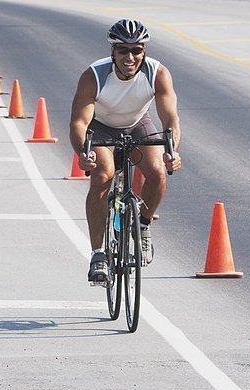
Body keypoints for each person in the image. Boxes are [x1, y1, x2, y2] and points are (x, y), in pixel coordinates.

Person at [69, 19, 182, 284]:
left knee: (157, 173)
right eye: (123, 50)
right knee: (102, 176)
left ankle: (142, 225)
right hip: (102, 127)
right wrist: (82, 153)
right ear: (113, 51)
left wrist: (172, 151)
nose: (130, 57)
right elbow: (79, 122)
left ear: (143, 51)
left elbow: (170, 119)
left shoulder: (158, 73)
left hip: (137, 123)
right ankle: (98, 254)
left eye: (136, 50)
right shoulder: (94, 75)